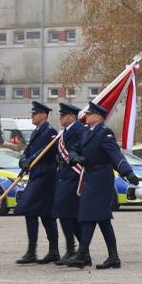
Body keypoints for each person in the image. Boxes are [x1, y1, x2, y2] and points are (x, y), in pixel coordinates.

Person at [60, 102, 140, 269]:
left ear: (98, 116)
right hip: (90, 177)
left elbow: (116, 155)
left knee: (88, 215)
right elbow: (74, 149)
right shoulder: (87, 132)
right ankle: (113, 257)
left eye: (89, 114)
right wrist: (74, 157)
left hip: (102, 177)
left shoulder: (105, 133)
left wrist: (128, 173)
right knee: (102, 219)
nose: (86, 116)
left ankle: (82, 255)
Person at [15, 101, 61, 265]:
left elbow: (46, 151)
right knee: (44, 214)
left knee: (33, 210)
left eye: (35, 114)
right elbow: (27, 151)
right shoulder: (36, 132)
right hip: (36, 175)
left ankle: (38, 251)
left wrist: (32, 160)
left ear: (43, 115)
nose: (32, 116)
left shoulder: (50, 132)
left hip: (46, 177)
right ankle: (47, 251)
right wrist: (23, 161)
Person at [53, 102, 86, 264]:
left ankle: (76, 250)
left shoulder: (79, 130)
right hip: (63, 174)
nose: (60, 118)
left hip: (74, 175)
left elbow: (79, 151)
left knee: (66, 213)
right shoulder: (65, 132)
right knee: (67, 214)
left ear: (72, 117)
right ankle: (77, 250)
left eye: (63, 115)